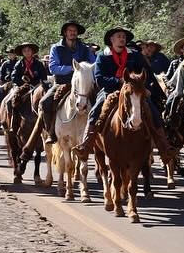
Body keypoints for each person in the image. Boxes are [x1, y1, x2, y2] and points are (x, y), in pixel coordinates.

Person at [73, 27, 175, 158]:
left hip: (134, 91)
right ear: (112, 39)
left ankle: (164, 147)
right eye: (119, 36)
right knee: (95, 111)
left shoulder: (135, 55)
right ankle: (86, 145)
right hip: (111, 92)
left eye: (123, 37)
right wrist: (119, 81)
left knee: (153, 110)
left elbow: (147, 73)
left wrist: (146, 87)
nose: (122, 39)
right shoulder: (102, 56)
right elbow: (99, 79)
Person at [42, 20, 98, 143]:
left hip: (83, 85)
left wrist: (85, 69)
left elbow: (94, 64)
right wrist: (71, 68)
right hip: (62, 83)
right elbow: (53, 68)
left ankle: (97, 134)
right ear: (65, 33)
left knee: (99, 101)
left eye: (75, 31)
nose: (73, 33)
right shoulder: (56, 48)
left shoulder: (84, 48)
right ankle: (51, 132)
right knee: (45, 102)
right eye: (70, 31)